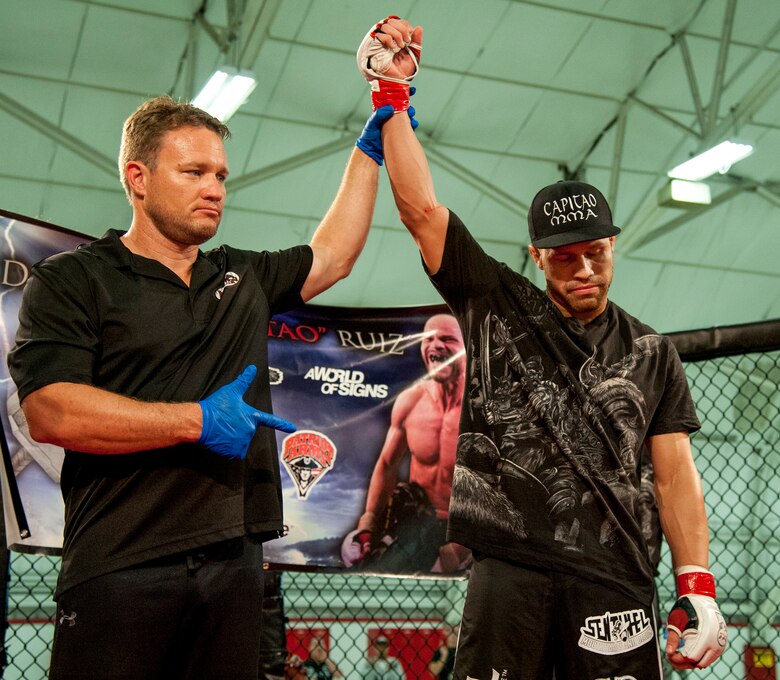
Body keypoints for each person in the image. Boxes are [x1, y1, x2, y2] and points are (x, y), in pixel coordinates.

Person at [355, 15, 728, 679]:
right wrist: (392, 96)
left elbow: (674, 474)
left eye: (595, 253)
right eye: (564, 258)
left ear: (612, 246)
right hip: (512, 567)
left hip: (616, 573)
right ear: (536, 256)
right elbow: (423, 212)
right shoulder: (498, 305)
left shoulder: (651, 352)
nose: (583, 270)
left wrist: (696, 583)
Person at [6, 94, 398, 679]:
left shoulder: (241, 276)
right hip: (121, 560)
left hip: (232, 564)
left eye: (220, 175)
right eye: (193, 172)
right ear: (138, 178)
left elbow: (334, 255)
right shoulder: (74, 278)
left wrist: (370, 148)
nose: (214, 189)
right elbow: (51, 412)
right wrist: (198, 420)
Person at [345, 313, 470, 572]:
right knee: (369, 568)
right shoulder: (411, 401)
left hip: (464, 531)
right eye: (429, 339)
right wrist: (368, 523)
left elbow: (500, 483)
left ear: (467, 347)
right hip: (415, 526)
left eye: (447, 339)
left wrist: (464, 545)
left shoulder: (482, 409)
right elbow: (387, 464)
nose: (436, 345)